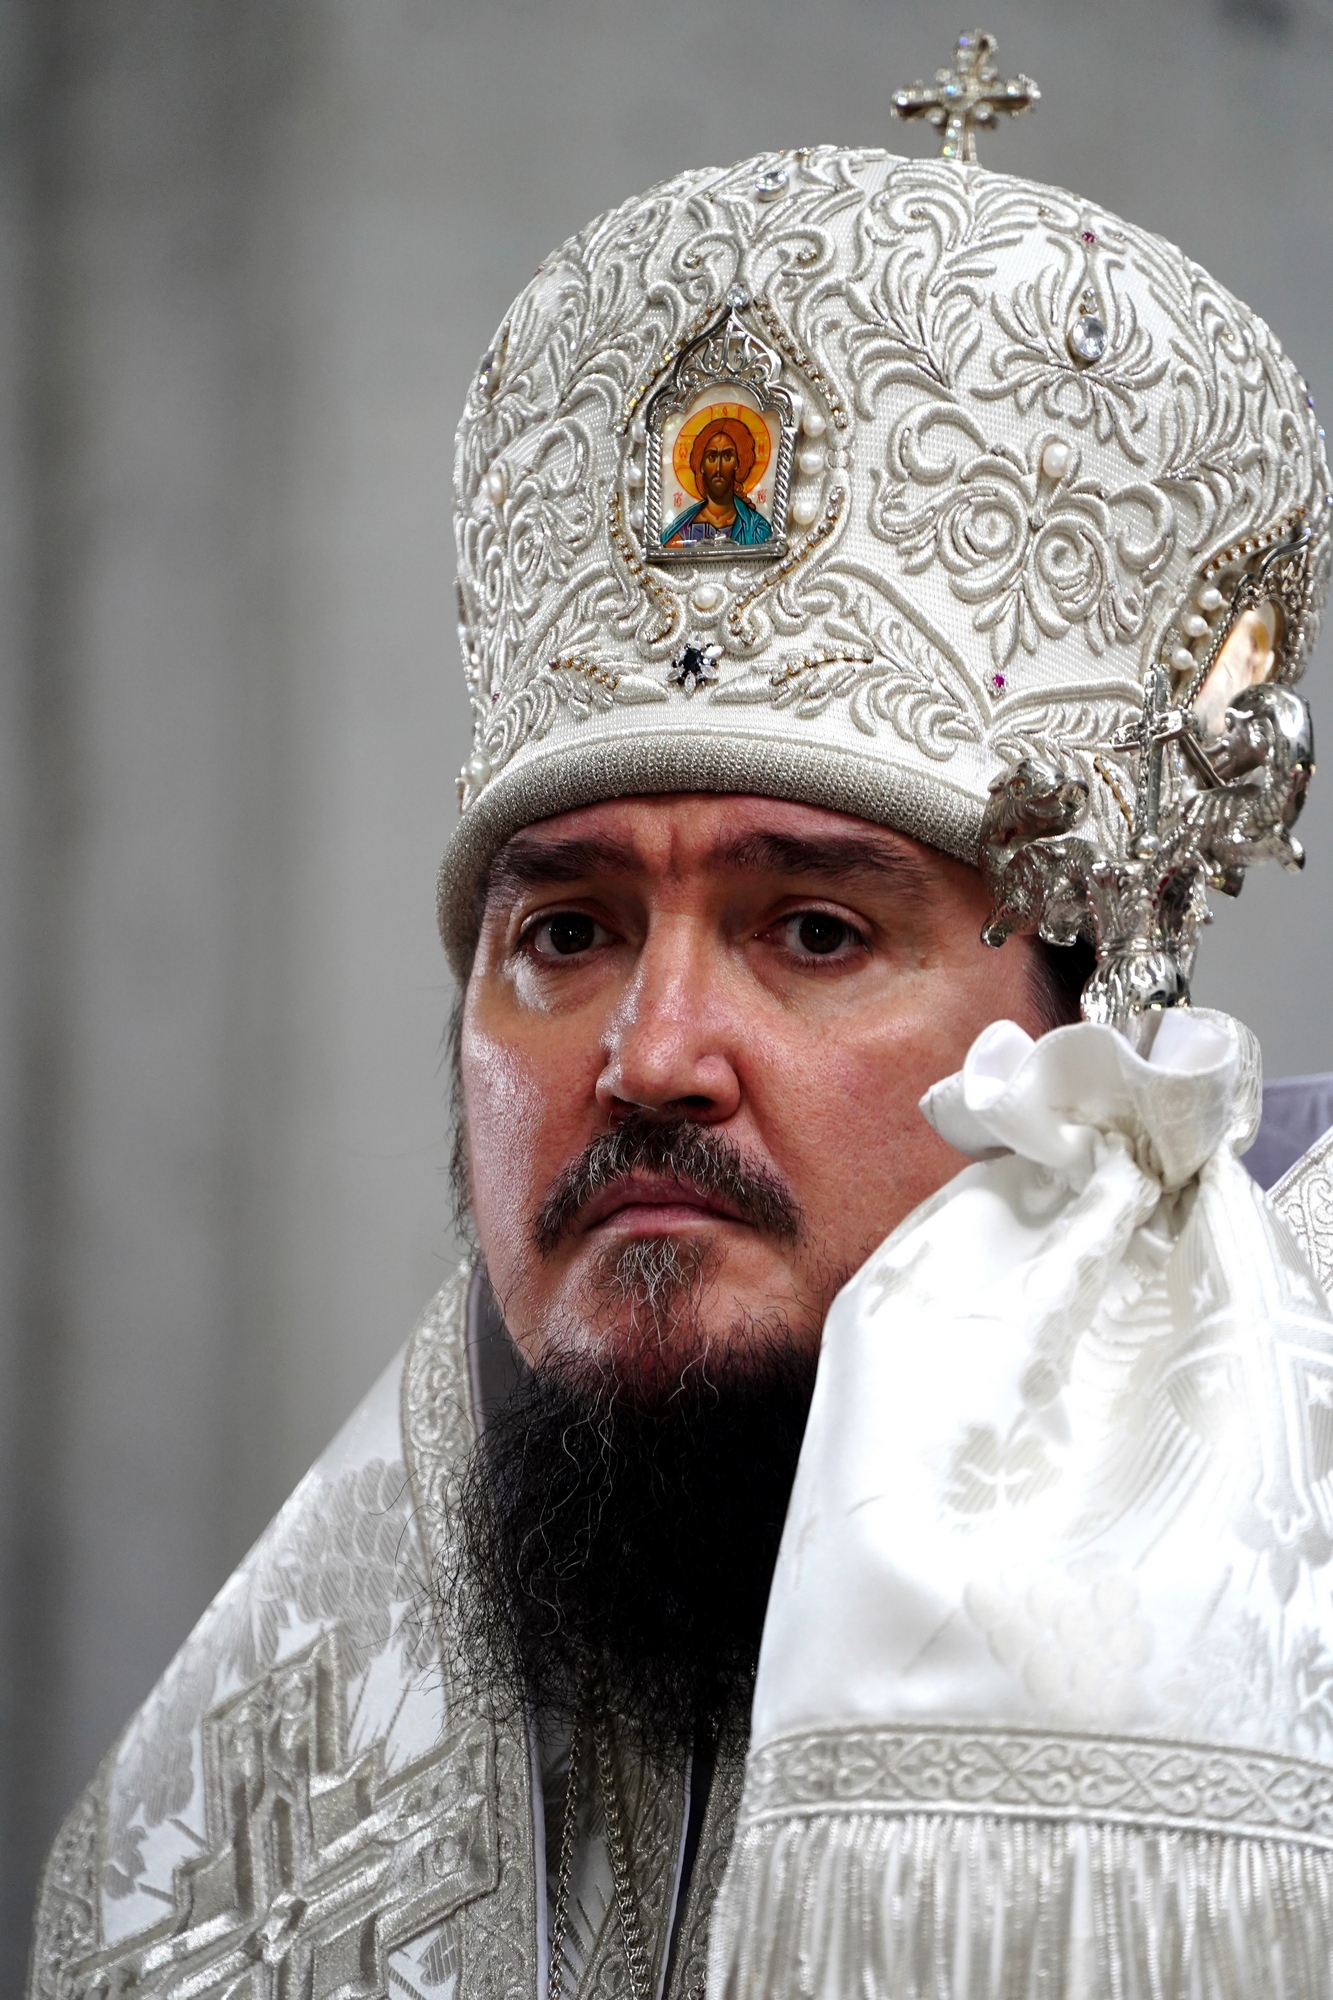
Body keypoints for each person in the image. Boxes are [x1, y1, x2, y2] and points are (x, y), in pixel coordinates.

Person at [29, 104, 1333, 2000]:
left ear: (1085, 1036)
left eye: (811, 930)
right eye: (561, 932)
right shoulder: (255, 1782)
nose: (648, 1055)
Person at [662, 416, 773, 545]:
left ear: (738, 462)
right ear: (701, 464)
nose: (718, 467)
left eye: (727, 456)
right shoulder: (680, 532)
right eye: (711, 457)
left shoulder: (756, 529)